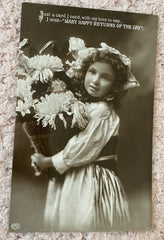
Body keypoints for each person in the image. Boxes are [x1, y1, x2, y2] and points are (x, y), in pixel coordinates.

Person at [31, 42, 139, 231]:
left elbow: (82, 148)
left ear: (115, 85)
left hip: (91, 178)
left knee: (87, 220)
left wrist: (47, 161)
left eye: (105, 77)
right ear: (84, 72)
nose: (95, 80)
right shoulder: (85, 106)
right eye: (92, 72)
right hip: (77, 173)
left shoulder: (102, 111)